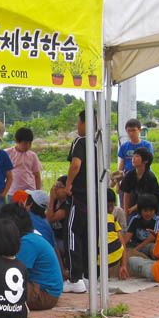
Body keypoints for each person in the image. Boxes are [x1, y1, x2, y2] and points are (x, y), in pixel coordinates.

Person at [0, 204, 62, 309]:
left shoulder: (27, 242)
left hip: (45, 295)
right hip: (44, 291)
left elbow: (12, 271)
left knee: (1, 283)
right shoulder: (30, 238)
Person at [64, 110, 94, 292]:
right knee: (88, 236)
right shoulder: (100, 141)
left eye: (78, 122)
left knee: (73, 233)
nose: (77, 126)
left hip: (80, 195)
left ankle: (75, 278)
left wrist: (68, 184)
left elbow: (76, 165)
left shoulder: (81, 141)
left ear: (84, 122)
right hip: (94, 197)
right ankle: (89, 276)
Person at [119, 147, 159, 224]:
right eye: (133, 156)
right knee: (132, 219)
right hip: (144, 201)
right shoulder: (130, 175)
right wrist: (126, 211)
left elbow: (147, 198)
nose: (133, 158)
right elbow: (126, 194)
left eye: (137, 156)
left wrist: (132, 209)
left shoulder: (150, 177)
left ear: (145, 161)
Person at [118, 118, 154, 212]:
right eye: (128, 131)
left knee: (143, 207)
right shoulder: (124, 146)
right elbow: (121, 165)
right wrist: (118, 183)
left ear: (139, 130)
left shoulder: (146, 145)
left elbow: (149, 161)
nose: (131, 133)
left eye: (133, 130)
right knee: (125, 208)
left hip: (143, 181)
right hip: (128, 180)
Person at [5, 127, 43, 200]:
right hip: (13, 192)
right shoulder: (8, 153)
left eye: (30, 143)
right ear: (16, 141)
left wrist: (38, 192)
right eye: (25, 143)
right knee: (13, 211)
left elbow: (37, 176)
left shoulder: (32, 155)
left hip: (30, 193)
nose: (28, 145)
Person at [125, 194, 159, 258]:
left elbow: (151, 239)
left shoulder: (157, 220)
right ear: (140, 210)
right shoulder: (135, 219)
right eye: (145, 211)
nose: (148, 213)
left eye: (151, 210)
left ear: (155, 210)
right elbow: (128, 236)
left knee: (154, 248)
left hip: (147, 245)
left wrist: (135, 250)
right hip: (134, 244)